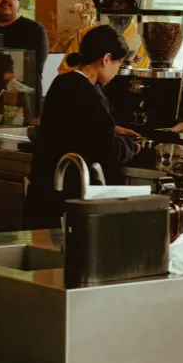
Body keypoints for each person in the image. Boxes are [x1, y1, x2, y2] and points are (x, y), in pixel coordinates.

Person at [26, 24, 138, 226]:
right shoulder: (87, 92)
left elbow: (76, 127)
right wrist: (134, 146)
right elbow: (107, 148)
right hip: (68, 195)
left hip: (44, 189)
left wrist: (113, 129)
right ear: (106, 59)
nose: (117, 71)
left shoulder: (63, 82)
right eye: (118, 64)